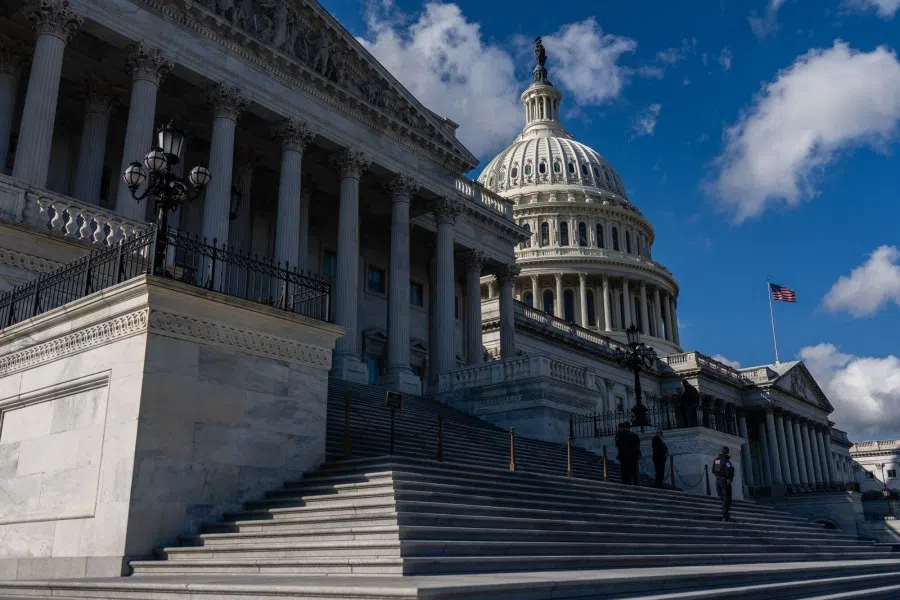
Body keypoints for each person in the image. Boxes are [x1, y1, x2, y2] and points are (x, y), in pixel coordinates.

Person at [712, 445, 736, 522]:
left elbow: (715, 470)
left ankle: (726, 515)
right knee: (727, 499)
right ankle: (725, 516)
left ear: (721, 451)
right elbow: (730, 471)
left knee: (723, 498)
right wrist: (729, 477)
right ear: (727, 452)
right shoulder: (726, 461)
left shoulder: (717, 460)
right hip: (725, 481)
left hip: (718, 480)